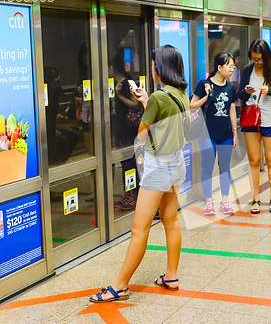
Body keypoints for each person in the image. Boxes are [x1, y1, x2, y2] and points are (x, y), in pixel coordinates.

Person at [90, 45, 189, 302]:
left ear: (161, 68)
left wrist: (147, 105)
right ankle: (171, 276)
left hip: (158, 168)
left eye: (154, 64)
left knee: (139, 229)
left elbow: (143, 135)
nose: (152, 67)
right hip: (176, 164)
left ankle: (120, 285)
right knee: (171, 220)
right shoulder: (179, 93)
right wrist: (146, 101)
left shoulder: (159, 98)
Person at [238, 39, 271, 214]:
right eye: (254, 59)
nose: (257, 62)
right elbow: (239, 94)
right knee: (254, 161)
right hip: (251, 119)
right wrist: (245, 92)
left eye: (260, 59)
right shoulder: (247, 70)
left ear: (267, 57)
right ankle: (255, 199)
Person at [191, 53, 238, 215]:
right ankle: (208, 202)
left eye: (233, 67)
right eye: (229, 66)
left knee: (225, 168)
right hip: (206, 134)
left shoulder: (231, 87)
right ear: (219, 67)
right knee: (207, 167)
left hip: (225, 134)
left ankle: (225, 201)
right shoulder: (204, 84)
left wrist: (235, 133)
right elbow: (192, 105)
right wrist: (207, 96)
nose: (232, 70)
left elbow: (232, 111)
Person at [109, 54, 142, 210]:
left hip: (129, 128)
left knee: (130, 162)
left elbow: (135, 104)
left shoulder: (128, 83)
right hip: (120, 128)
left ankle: (134, 195)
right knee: (124, 162)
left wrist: (120, 95)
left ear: (112, 68)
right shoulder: (113, 84)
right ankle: (127, 193)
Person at [44, 67, 80, 165]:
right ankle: (53, 162)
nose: (57, 79)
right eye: (53, 77)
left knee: (74, 136)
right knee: (62, 139)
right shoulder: (43, 94)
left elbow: (51, 113)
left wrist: (55, 118)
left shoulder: (57, 92)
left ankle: (61, 161)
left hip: (52, 125)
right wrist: (52, 129)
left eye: (57, 76)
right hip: (45, 128)